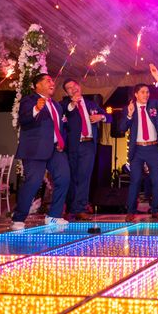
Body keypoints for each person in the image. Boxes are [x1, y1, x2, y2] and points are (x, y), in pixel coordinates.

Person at [11, 74, 70, 230]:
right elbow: (23, 120)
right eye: (48, 81)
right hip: (35, 150)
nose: (52, 83)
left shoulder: (57, 105)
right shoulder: (28, 101)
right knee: (33, 182)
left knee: (64, 178)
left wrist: (60, 141)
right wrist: (36, 109)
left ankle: (54, 216)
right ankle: (18, 218)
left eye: (52, 81)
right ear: (37, 85)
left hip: (55, 149)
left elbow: (59, 127)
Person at [120, 64, 158, 222]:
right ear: (136, 94)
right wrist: (128, 116)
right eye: (143, 92)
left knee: (157, 179)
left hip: (153, 148)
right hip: (137, 150)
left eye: (148, 92)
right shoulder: (130, 108)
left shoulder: (153, 105)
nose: (146, 94)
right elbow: (122, 128)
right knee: (135, 180)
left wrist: (157, 78)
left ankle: (155, 209)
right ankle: (131, 211)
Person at [61, 78, 109, 221]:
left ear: (79, 87)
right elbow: (66, 111)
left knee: (84, 178)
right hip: (72, 146)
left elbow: (109, 117)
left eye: (74, 85)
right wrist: (72, 103)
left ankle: (80, 208)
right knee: (71, 177)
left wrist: (101, 116)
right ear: (67, 92)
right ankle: (70, 207)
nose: (73, 88)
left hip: (88, 145)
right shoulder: (64, 104)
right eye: (69, 88)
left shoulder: (91, 104)